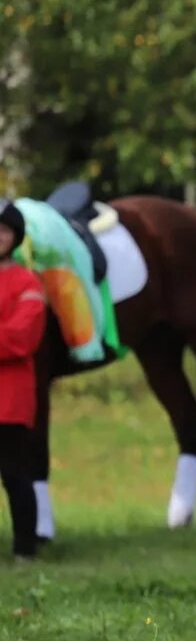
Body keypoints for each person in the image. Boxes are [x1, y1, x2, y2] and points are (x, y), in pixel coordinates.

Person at [0, 198, 46, 561]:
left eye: (2, 230)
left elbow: (22, 338)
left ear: (14, 236)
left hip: (9, 400)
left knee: (16, 476)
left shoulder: (26, 280)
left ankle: (24, 551)